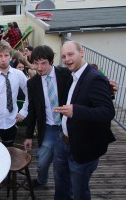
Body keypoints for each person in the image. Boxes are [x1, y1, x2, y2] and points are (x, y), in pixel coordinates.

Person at [53, 41, 115, 200]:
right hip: (63, 142)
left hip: (82, 148)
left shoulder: (94, 78)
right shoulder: (72, 74)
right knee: (61, 185)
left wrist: (76, 111)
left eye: (70, 54)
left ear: (82, 52)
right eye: (64, 56)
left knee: (79, 192)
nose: (67, 59)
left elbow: (107, 112)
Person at [23, 45, 72, 187]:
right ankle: (41, 179)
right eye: (36, 63)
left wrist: (108, 87)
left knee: (66, 163)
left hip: (68, 125)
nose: (39, 68)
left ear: (51, 61)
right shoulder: (32, 83)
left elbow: (86, 81)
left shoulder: (66, 74)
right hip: (49, 127)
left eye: (43, 63)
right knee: (42, 162)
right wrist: (28, 136)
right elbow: (32, 110)